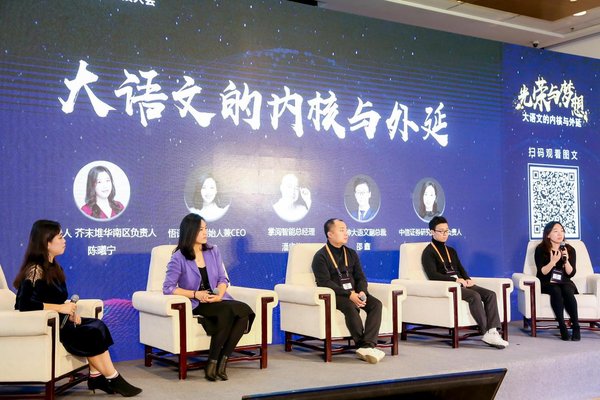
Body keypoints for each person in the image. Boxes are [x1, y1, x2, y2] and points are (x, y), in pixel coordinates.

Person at [13, 220, 141, 397]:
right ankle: (113, 377)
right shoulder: (35, 270)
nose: (64, 240)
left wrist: (70, 312)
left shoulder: (54, 267)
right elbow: (24, 304)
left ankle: (95, 376)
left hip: (62, 321)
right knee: (91, 333)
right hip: (51, 327)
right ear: (46, 242)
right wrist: (60, 308)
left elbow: (55, 299)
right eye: (60, 237)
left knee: (97, 325)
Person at [163, 213, 255, 381]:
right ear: (190, 231)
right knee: (227, 312)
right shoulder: (178, 257)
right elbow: (168, 288)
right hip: (197, 302)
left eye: (206, 228)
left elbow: (222, 279)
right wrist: (195, 294)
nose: (205, 233)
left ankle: (222, 362)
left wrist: (220, 295)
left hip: (216, 299)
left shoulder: (213, 251)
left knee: (244, 311)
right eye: (200, 229)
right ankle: (212, 362)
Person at [421, 216, 508, 349]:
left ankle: (493, 331)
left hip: (461, 283)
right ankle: (485, 332)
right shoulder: (428, 252)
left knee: (490, 294)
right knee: (474, 296)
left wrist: (467, 278)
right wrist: (455, 280)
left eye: (447, 231)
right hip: (449, 286)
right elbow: (433, 275)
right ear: (432, 232)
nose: (445, 234)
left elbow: (460, 268)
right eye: (441, 231)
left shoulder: (451, 250)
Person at [311, 218, 385, 364]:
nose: (346, 233)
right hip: (336, 295)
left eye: (346, 230)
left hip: (355, 292)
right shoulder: (320, 256)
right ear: (330, 234)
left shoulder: (351, 253)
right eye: (341, 230)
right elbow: (324, 282)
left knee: (376, 304)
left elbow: (360, 277)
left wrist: (362, 291)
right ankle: (362, 345)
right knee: (350, 306)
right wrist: (349, 295)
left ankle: (367, 345)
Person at [534, 221, 580, 341]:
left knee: (567, 290)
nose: (560, 234)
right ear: (548, 235)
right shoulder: (540, 249)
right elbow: (542, 272)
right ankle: (562, 326)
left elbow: (571, 273)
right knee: (555, 290)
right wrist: (553, 261)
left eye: (562, 231)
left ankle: (576, 326)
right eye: (555, 231)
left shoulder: (569, 249)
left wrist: (566, 261)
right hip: (547, 281)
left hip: (565, 281)